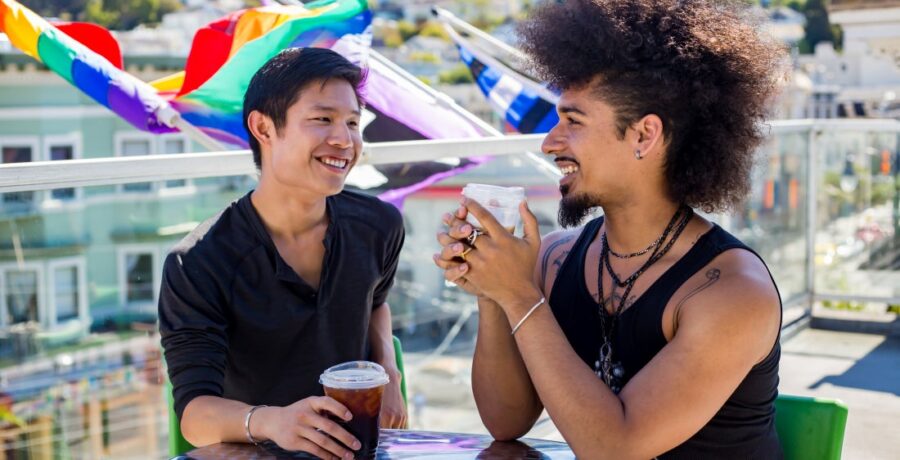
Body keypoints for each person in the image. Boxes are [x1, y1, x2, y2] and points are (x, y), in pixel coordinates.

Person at [434, 1, 786, 458]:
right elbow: (507, 420)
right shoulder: (559, 259)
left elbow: (615, 449)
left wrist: (522, 297)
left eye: (572, 121)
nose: (548, 142)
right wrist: (495, 287)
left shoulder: (732, 292)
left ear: (644, 136)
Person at [159, 47, 407, 459]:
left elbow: (375, 301)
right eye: (322, 119)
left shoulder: (379, 225)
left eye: (352, 123)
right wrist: (274, 421)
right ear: (263, 128)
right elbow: (195, 416)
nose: (344, 140)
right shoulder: (198, 262)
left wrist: (390, 375)